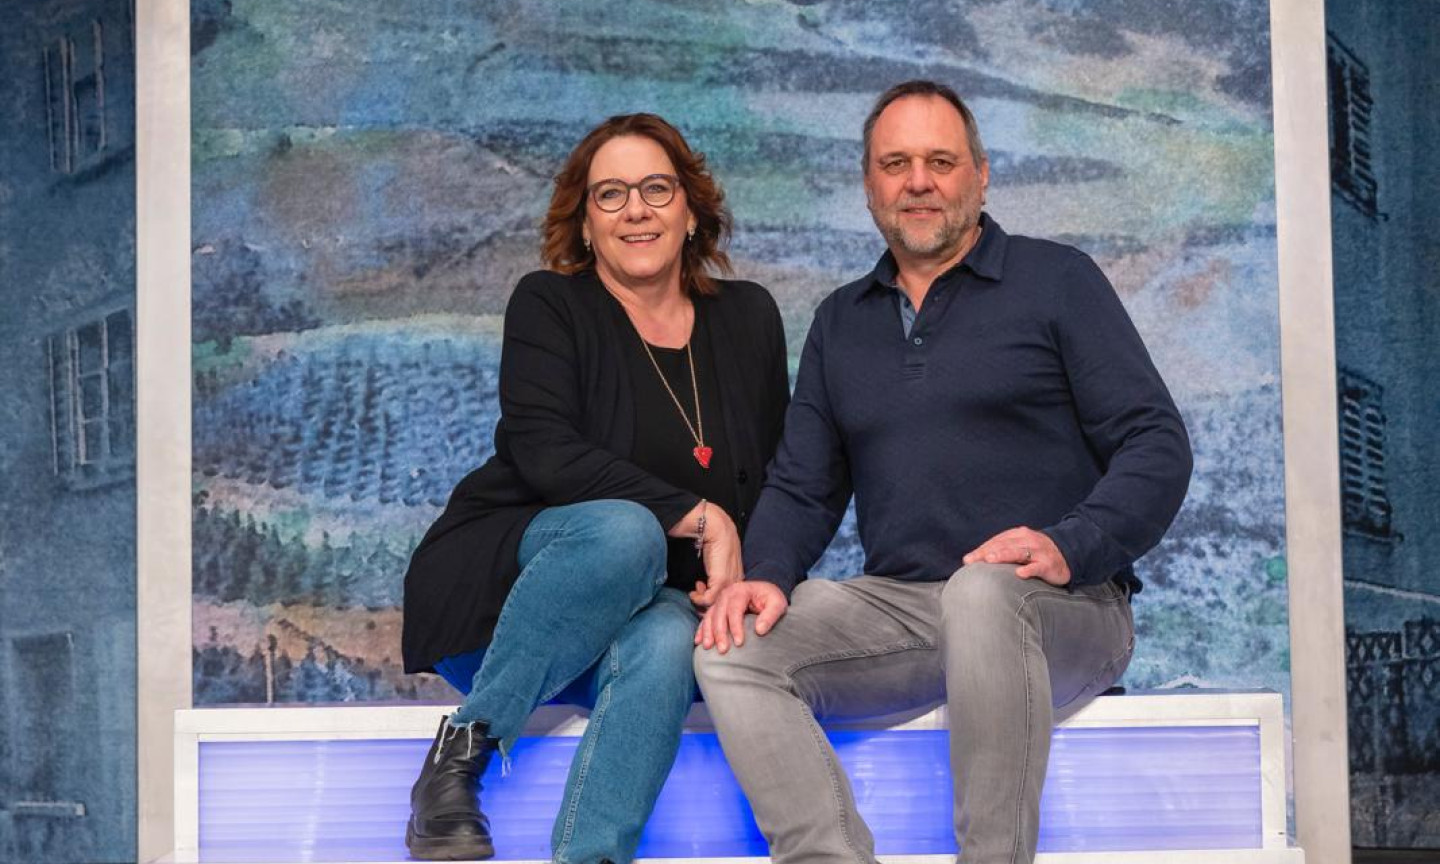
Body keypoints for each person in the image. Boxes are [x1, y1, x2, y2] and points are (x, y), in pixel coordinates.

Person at [693, 80, 1193, 864]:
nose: (918, 181)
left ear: (981, 176)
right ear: (869, 184)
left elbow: (1156, 443)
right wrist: (764, 574)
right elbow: (802, 484)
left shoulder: (1057, 280)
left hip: (1064, 608)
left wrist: (1071, 544)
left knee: (982, 593)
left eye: (940, 161)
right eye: (896, 164)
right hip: (907, 610)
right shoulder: (840, 320)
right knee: (732, 646)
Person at [402, 113, 789, 864]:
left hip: (651, 609)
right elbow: (544, 452)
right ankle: (460, 758)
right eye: (610, 195)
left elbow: (779, 478)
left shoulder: (749, 318)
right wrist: (699, 516)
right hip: (511, 600)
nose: (635, 210)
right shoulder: (550, 303)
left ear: (691, 211)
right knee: (627, 530)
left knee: (672, 638)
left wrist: (755, 573)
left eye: (656, 189)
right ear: (585, 225)